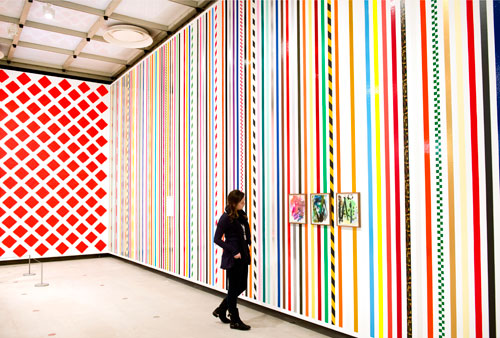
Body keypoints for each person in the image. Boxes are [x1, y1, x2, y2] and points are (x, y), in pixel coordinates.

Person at [212, 190, 251, 330]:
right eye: (242, 202)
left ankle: (222, 309)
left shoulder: (241, 216)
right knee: (234, 287)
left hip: (243, 256)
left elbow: (244, 235)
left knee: (241, 286)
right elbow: (216, 239)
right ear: (234, 203)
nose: (244, 204)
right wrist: (233, 251)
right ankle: (234, 319)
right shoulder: (225, 218)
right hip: (233, 257)